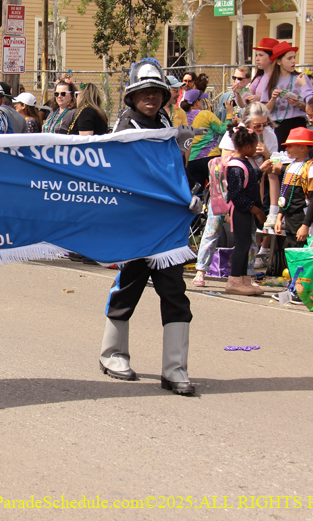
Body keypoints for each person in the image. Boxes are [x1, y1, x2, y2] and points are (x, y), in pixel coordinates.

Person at [101, 57, 198, 396]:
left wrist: (188, 192)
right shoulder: (125, 132)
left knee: (175, 294)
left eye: (157, 92)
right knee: (129, 286)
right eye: (144, 92)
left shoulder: (165, 125)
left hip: (168, 228)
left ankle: (175, 370)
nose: (151, 97)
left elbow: (173, 173)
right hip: (138, 226)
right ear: (131, 97)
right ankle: (112, 354)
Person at [192, 103, 269, 288]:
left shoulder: (264, 138)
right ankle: (201, 270)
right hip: (225, 193)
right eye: (257, 125)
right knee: (213, 230)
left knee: (248, 238)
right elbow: (226, 166)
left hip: (248, 194)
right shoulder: (235, 138)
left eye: (264, 125)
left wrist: (264, 155)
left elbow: (258, 171)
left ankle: (246, 276)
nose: (261, 129)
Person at [223, 124, 270, 295]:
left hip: (247, 211)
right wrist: (256, 210)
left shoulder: (244, 163)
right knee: (241, 245)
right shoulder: (235, 166)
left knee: (247, 244)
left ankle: (244, 280)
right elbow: (237, 195)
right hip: (242, 211)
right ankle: (234, 281)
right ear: (248, 147)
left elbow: (249, 181)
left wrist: (260, 171)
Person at [273, 128, 313, 247]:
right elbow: (285, 195)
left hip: (302, 220)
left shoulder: (310, 169)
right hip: (290, 220)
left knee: (303, 255)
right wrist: (279, 217)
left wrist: (305, 225)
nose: (287, 148)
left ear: (302, 148)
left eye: (290, 146)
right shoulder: (290, 167)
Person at [178, 74, 226, 191]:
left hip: (191, 159)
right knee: (217, 191)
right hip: (211, 157)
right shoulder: (206, 114)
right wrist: (229, 114)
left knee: (195, 191)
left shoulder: (182, 116)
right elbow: (222, 129)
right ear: (197, 101)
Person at [244, 38, 278, 105]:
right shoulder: (259, 78)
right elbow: (244, 102)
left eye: (261, 55)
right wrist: (240, 90)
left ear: (272, 58)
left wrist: (260, 98)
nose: (257, 59)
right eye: (256, 55)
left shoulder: (279, 77)